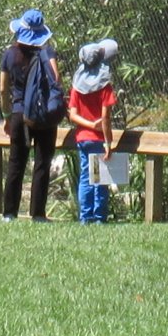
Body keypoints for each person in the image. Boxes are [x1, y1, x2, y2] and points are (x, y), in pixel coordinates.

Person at [0, 9, 63, 222]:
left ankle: (9, 214)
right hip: (43, 115)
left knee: (16, 163)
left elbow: (2, 89)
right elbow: (56, 79)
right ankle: (38, 214)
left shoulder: (10, 54)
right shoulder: (47, 53)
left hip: (19, 114)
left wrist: (6, 116)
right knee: (42, 164)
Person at [68, 39, 120, 224]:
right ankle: (99, 218)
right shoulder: (105, 88)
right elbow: (105, 118)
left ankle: (85, 217)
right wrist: (107, 142)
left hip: (83, 138)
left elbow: (73, 115)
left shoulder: (76, 88)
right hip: (99, 140)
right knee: (100, 179)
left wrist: (88, 126)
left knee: (85, 178)